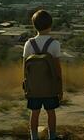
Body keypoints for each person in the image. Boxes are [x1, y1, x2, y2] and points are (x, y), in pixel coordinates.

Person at [23, 10, 63, 140]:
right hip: (50, 87)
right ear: (50, 25)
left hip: (34, 87)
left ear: (34, 25)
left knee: (34, 113)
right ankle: (52, 136)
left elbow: (25, 67)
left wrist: (26, 85)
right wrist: (60, 88)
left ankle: (33, 137)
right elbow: (58, 69)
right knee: (51, 113)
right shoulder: (54, 44)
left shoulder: (29, 44)